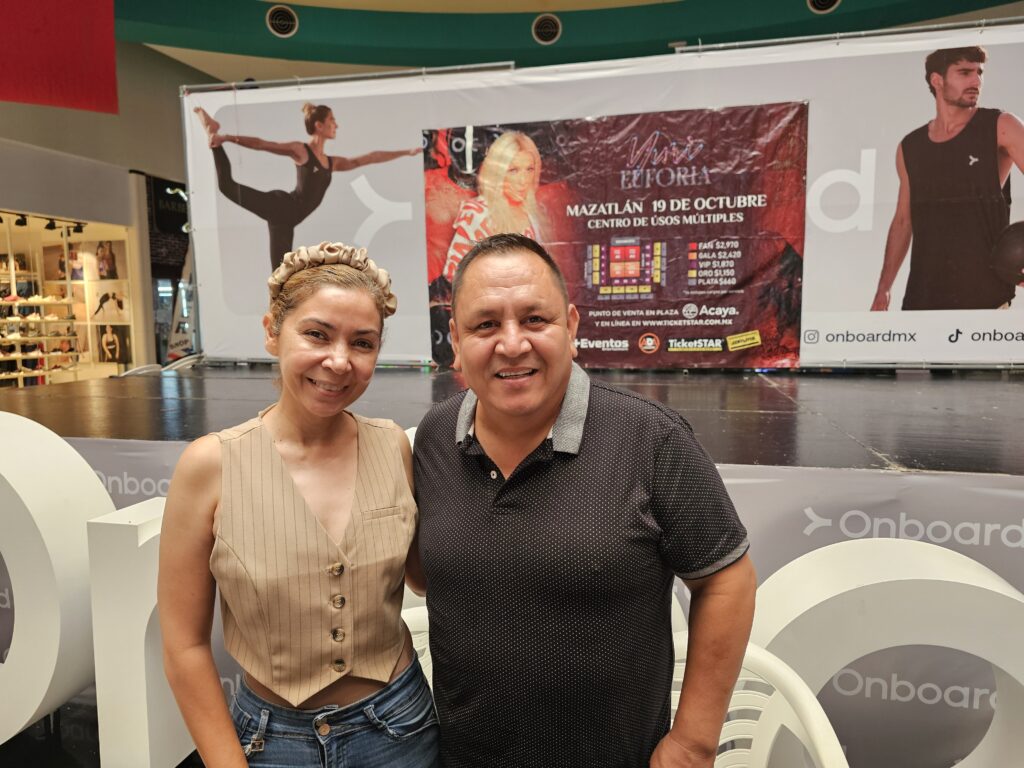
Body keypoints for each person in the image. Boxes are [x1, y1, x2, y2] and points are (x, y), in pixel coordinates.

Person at [414, 233, 756, 768]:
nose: (512, 344)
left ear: (571, 327)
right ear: (455, 339)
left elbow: (726, 580)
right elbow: (427, 574)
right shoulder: (435, 437)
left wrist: (693, 742)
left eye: (535, 319)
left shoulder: (652, 439)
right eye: (486, 325)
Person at [158, 242, 438, 768]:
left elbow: (422, 578)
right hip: (270, 743)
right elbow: (184, 645)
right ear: (272, 331)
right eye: (317, 334)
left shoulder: (393, 447)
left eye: (362, 343)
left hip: (399, 729)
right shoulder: (211, 466)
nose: (339, 361)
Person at [872, 46, 1024, 311]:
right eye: (964, 72)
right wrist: (883, 289)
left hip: (985, 296)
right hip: (922, 297)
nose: (976, 81)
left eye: (979, 72)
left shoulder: (1000, 125)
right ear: (937, 80)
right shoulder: (910, 146)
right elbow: (903, 221)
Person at [195, 104, 421, 270]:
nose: (336, 125)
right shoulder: (301, 151)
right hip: (280, 207)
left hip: (286, 221)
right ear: (319, 125)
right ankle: (214, 137)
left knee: (280, 278)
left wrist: (406, 152)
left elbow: (369, 158)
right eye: (332, 120)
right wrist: (226, 138)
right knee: (227, 186)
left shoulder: (331, 162)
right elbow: (263, 144)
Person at [441, 131, 544, 282]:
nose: (523, 180)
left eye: (529, 169)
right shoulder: (478, 213)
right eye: (513, 170)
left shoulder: (531, 213)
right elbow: (454, 274)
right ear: (497, 173)